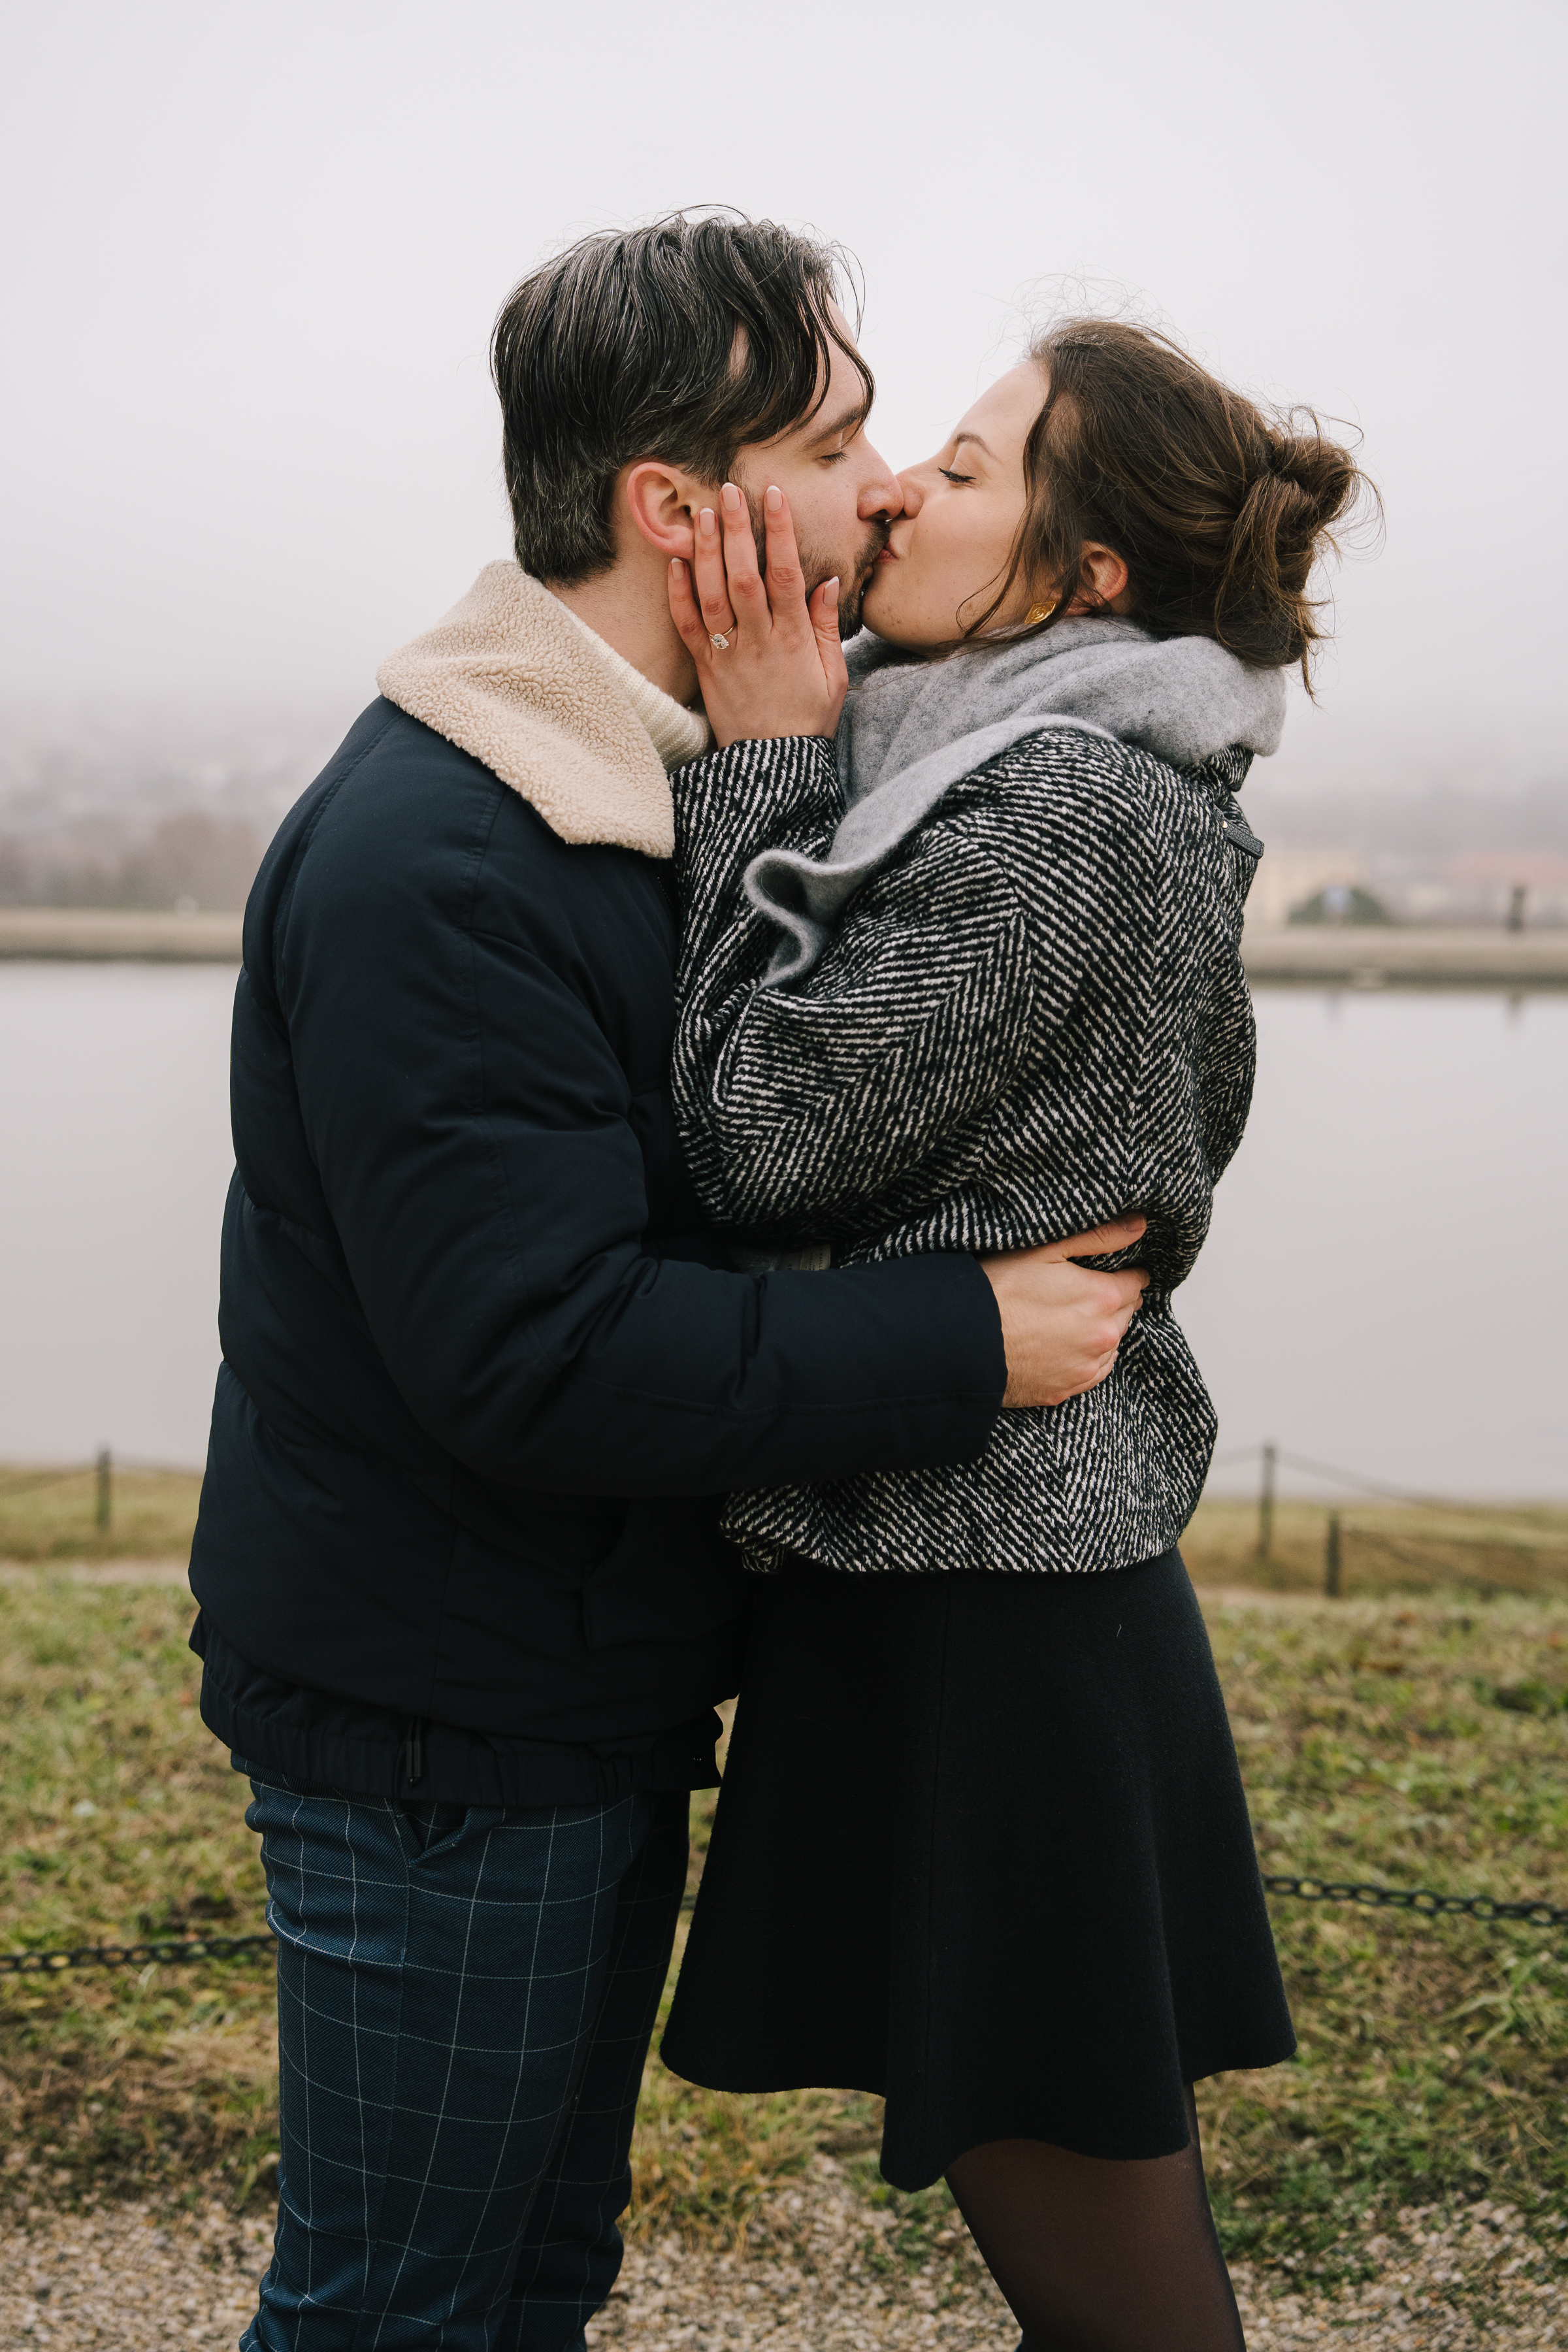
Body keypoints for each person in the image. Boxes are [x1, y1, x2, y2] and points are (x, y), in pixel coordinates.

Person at [186, 217, 1151, 2352]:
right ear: (674, 508)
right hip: (448, 1726)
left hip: (564, 1673)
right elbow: (537, 1352)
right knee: (400, 2313)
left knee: (533, 2278)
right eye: (834, 441)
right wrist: (966, 1338)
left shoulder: (637, 782)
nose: (884, 489)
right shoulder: (452, 853)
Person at [657, 318, 1373, 2351]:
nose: (897, 490)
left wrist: (762, 763)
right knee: (1081, 2228)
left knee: (1108, 2271)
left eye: (965, 471)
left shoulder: (1060, 806)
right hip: (990, 1569)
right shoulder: (1013, 768)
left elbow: (756, 1134)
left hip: (989, 1606)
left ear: (1088, 571)